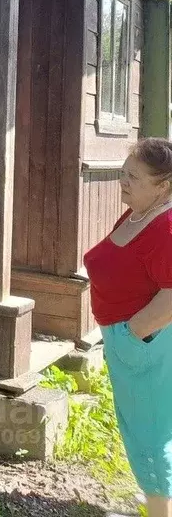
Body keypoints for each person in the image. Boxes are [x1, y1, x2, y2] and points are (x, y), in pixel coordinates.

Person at [84, 137, 172, 517]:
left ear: (163, 185)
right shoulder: (141, 211)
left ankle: (158, 509)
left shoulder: (165, 226)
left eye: (132, 176)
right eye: (123, 172)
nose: (122, 181)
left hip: (141, 344)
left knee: (146, 432)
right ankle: (159, 501)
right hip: (132, 341)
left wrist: (131, 335)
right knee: (146, 423)